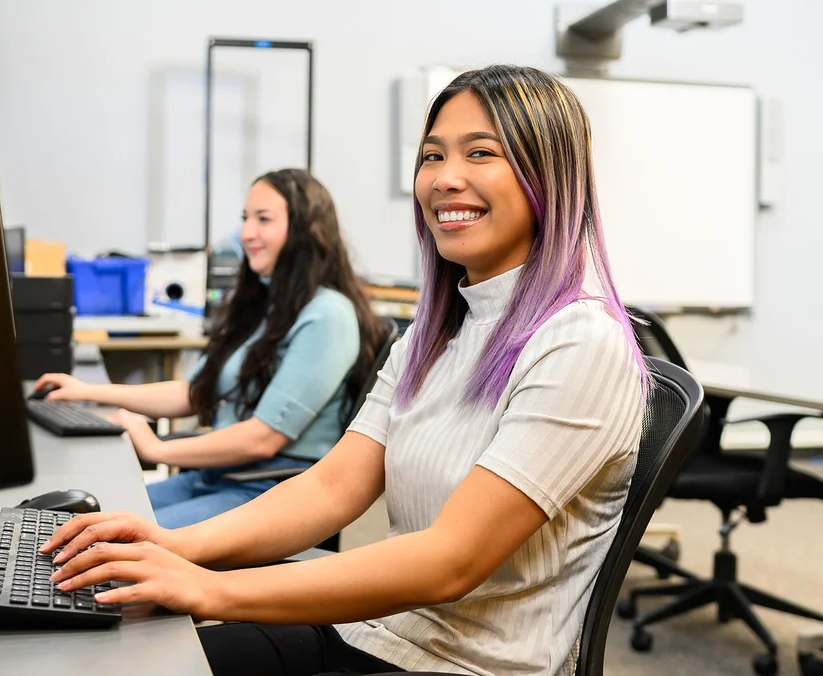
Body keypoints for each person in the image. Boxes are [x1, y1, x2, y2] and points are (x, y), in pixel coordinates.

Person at [39, 64, 649, 676]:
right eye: (432, 156)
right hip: (378, 631)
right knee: (128, 657)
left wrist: (208, 587)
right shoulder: (435, 334)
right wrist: (175, 547)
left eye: (480, 153)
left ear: (550, 174)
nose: (445, 179)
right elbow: (333, 487)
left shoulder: (581, 343)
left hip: (465, 665)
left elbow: (449, 561)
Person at [34, 168, 386, 529]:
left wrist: (156, 448)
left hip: (269, 491)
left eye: (263, 220)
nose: (246, 233)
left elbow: (263, 438)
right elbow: (192, 392)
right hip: (219, 477)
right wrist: (89, 392)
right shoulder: (267, 307)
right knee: (63, 520)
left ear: (306, 231)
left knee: (103, 536)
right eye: (245, 219)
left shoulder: (328, 315)